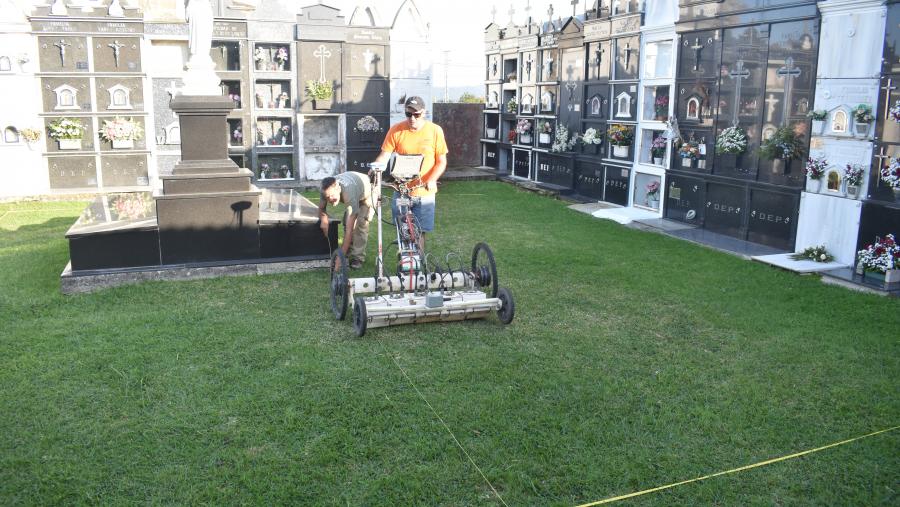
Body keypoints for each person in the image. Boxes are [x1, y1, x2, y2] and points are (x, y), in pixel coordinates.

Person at [373, 96, 448, 251]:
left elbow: (441, 161)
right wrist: (376, 167)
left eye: (416, 114)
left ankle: (417, 266)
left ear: (424, 113)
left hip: (424, 192)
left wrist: (432, 179)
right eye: (408, 114)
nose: (412, 118)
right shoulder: (396, 130)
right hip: (401, 190)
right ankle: (405, 265)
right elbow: (385, 154)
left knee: (420, 231)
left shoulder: (435, 131)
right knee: (403, 229)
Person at [318, 171, 374, 270]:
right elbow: (322, 208)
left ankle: (357, 257)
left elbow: (349, 231)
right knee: (346, 221)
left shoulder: (349, 194)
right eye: (327, 197)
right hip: (355, 187)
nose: (330, 199)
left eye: (332, 195)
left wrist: (340, 259)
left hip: (367, 193)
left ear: (338, 189)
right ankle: (347, 250)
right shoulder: (324, 190)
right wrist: (324, 220)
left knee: (360, 224)